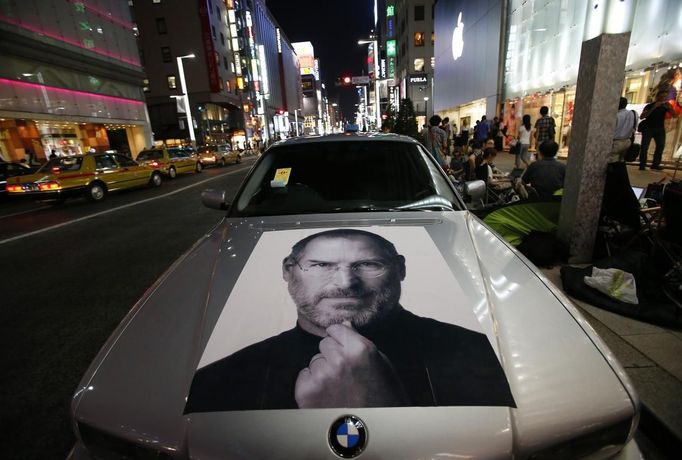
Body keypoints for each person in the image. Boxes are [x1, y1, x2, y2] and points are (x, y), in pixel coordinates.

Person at [184, 229, 515, 412]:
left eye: (368, 264)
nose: (345, 283)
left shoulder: (481, 353)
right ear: (288, 271)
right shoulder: (213, 382)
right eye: (321, 265)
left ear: (400, 269)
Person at [602, 97, 641, 229]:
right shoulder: (633, 114)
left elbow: (609, 131)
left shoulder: (615, 116)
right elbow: (634, 129)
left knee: (611, 168)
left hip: (615, 142)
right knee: (620, 166)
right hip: (627, 142)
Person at [638, 89, 677, 170]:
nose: (663, 98)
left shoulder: (665, 106)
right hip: (648, 128)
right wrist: (654, 107)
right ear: (658, 97)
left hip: (660, 129)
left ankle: (655, 165)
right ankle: (642, 164)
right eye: (661, 96)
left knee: (660, 146)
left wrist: (670, 107)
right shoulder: (649, 105)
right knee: (644, 147)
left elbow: (674, 115)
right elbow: (642, 116)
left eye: (665, 97)